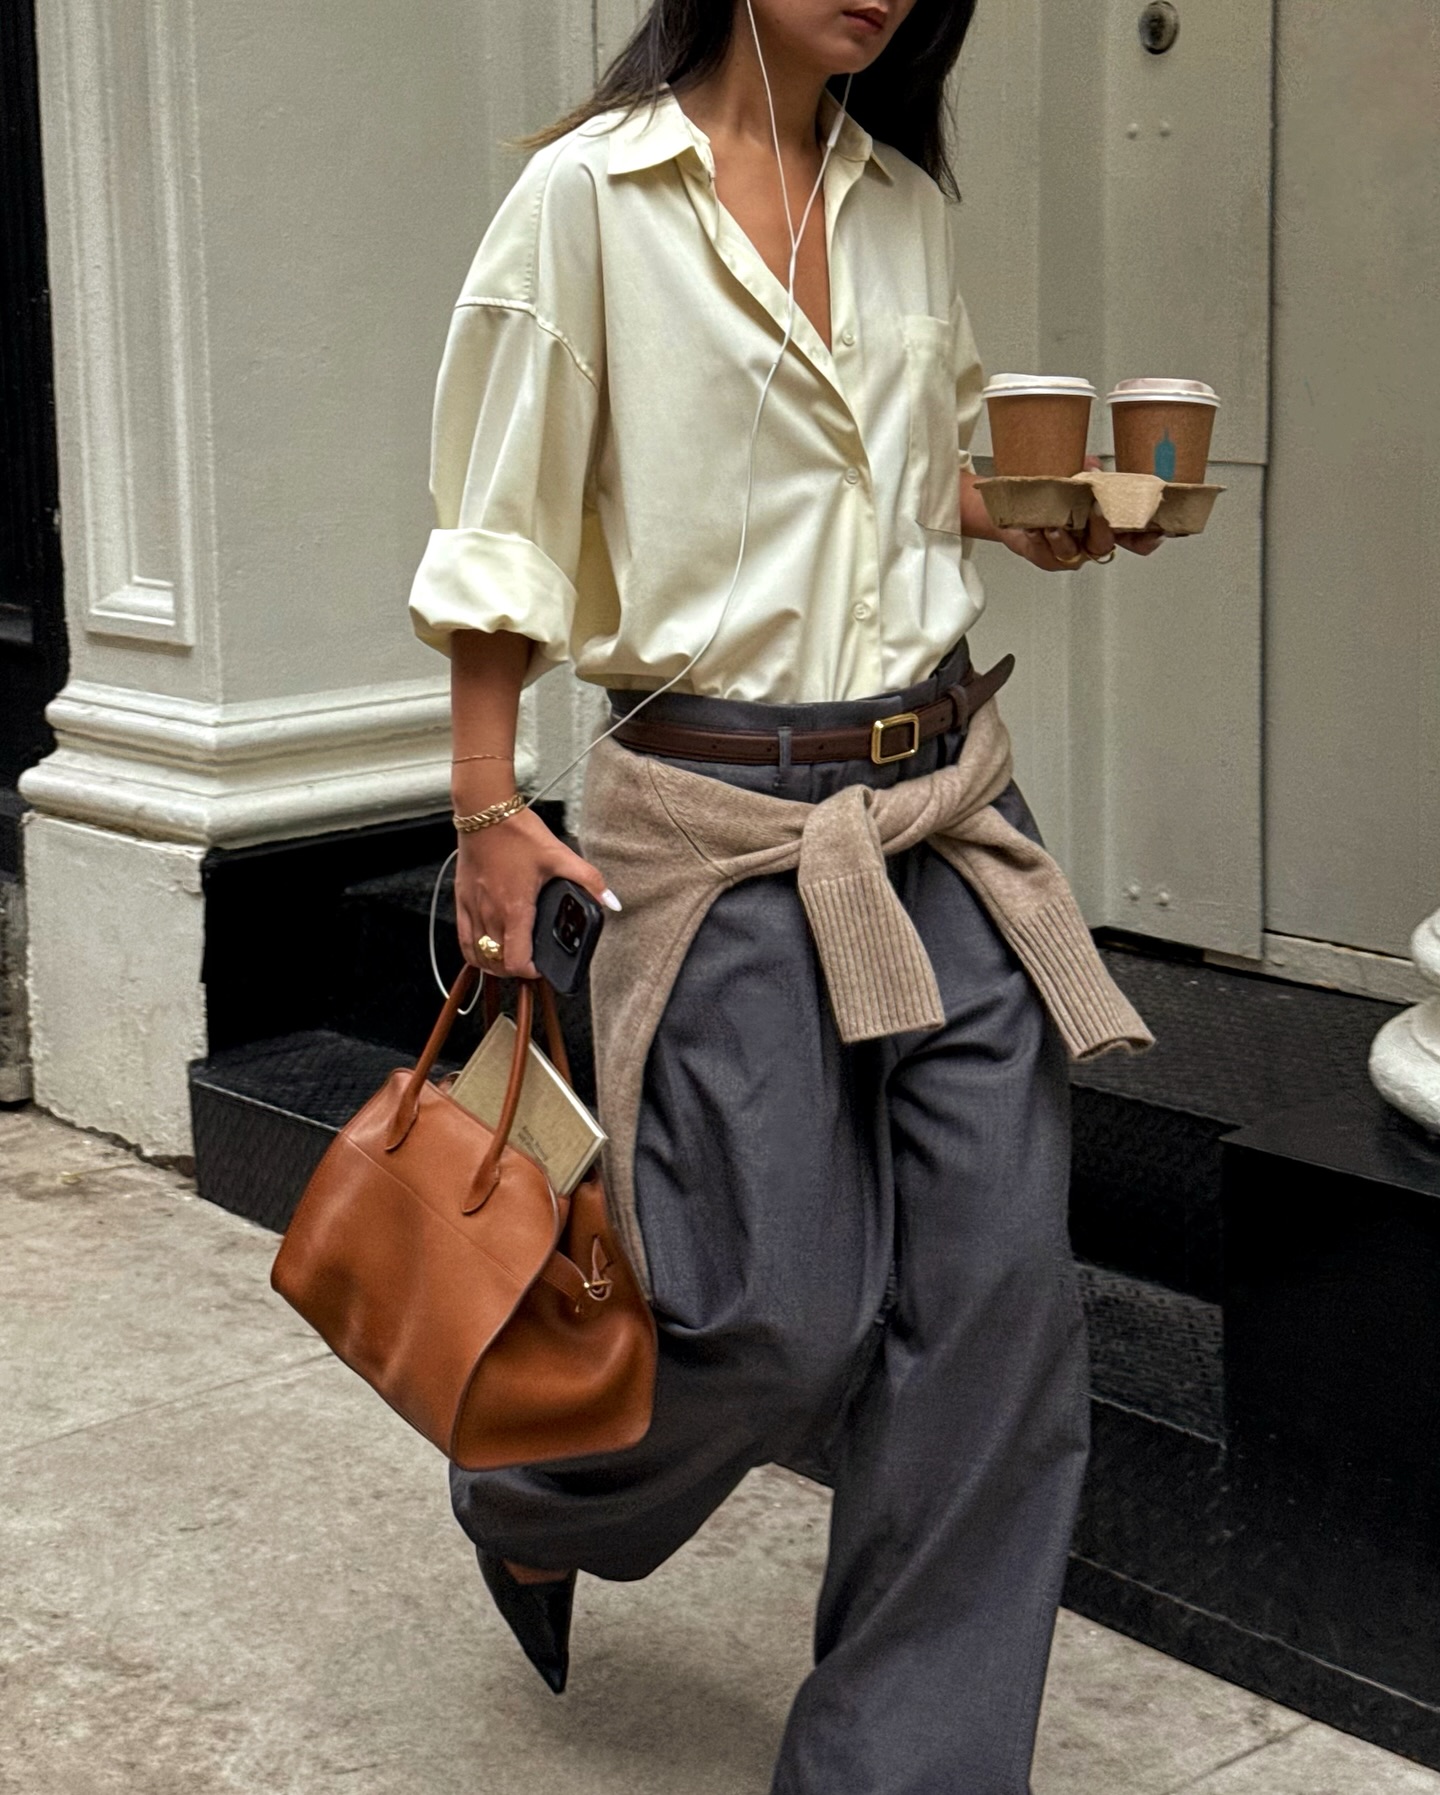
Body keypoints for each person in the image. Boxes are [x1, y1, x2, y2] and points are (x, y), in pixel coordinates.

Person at [406, 3, 1157, 1789]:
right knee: (769, 1311)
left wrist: (1024, 511)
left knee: (997, 1309)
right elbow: (502, 522)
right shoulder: (591, 200)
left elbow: (910, 476)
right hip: (718, 820)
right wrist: (487, 803)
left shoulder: (899, 202)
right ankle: (532, 1486)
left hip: (947, 809)